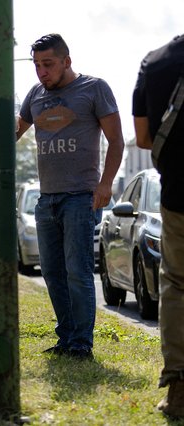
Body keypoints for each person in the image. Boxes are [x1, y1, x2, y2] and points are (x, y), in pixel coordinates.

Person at [16, 34, 124, 359]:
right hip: (46, 198)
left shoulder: (94, 88)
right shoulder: (35, 95)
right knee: (51, 272)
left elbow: (117, 141)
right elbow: (16, 130)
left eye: (47, 64)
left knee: (78, 271)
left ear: (66, 61)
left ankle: (81, 344)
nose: (41, 72)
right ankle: (66, 338)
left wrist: (105, 185)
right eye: (36, 65)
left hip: (80, 196)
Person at [133, 34, 184, 418]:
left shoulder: (156, 62)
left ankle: (180, 391)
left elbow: (145, 137)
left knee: (177, 285)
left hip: (180, 193)